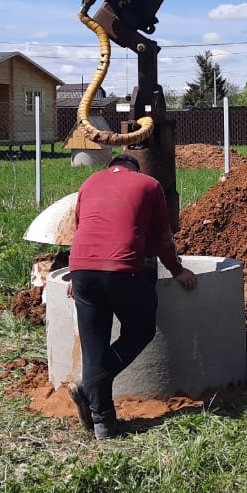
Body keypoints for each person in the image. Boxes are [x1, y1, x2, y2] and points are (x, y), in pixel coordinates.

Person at [65, 153, 197, 439]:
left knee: (94, 347)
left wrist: (76, 275)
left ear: (111, 167)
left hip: (82, 268)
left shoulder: (89, 182)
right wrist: (177, 270)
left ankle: (103, 425)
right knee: (141, 331)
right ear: (134, 169)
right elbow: (161, 235)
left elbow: (80, 227)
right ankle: (88, 386)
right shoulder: (148, 184)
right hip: (123, 269)